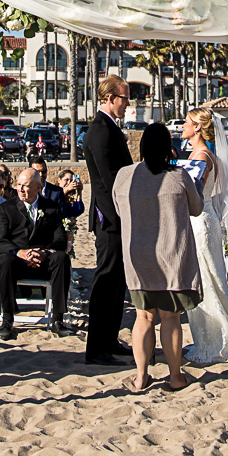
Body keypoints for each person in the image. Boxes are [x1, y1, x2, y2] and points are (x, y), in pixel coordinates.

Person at [113, 123, 202, 392]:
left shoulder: (124, 175)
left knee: (143, 318)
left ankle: (141, 377)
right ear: (167, 148)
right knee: (171, 318)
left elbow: (118, 211)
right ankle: (175, 376)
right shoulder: (178, 176)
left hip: (138, 255)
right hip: (171, 254)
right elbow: (196, 209)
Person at [177, 108, 228, 365]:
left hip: (200, 220)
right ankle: (210, 336)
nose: (183, 125)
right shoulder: (199, 154)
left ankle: (218, 340)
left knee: (207, 279)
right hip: (197, 218)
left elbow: (195, 191)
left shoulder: (203, 157)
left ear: (198, 127)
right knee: (204, 277)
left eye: (187, 122)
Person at [82, 74, 135, 367]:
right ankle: (96, 347)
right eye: (124, 98)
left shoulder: (110, 128)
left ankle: (110, 338)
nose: (127, 104)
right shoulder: (101, 131)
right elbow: (110, 180)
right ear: (109, 98)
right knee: (106, 281)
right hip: (110, 217)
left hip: (118, 216)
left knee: (117, 284)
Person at [0, 168, 72, 338]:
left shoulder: (51, 207)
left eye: (26, 186)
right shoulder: (7, 208)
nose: (20, 189)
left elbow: (60, 238)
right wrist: (20, 252)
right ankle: (7, 319)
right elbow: (1, 241)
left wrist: (44, 252)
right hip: (18, 261)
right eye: (19, 185)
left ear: (38, 187)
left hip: (44, 260)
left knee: (61, 258)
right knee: (4, 259)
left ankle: (58, 319)